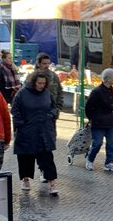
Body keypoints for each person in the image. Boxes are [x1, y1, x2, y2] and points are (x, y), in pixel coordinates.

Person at [11, 71, 59, 195]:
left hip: (44, 131)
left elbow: (54, 107)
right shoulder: (22, 93)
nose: (41, 86)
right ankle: (25, 179)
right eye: (39, 83)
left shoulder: (47, 93)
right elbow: (15, 111)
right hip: (27, 131)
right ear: (33, 82)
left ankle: (52, 183)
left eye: (44, 83)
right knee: (25, 157)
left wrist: (51, 115)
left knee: (47, 157)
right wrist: (22, 124)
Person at [35, 52, 64, 183]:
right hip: (37, 119)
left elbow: (60, 93)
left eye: (48, 63)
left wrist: (57, 110)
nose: (46, 66)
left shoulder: (54, 76)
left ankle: (47, 170)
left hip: (50, 118)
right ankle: (43, 170)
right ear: (38, 63)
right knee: (40, 145)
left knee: (49, 144)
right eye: (44, 64)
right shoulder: (32, 78)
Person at [84, 68, 113, 172]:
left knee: (111, 144)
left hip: (110, 123)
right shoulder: (96, 92)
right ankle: (90, 160)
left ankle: (109, 162)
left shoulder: (112, 90)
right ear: (108, 79)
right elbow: (89, 107)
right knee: (97, 143)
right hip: (98, 123)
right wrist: (93, 118)